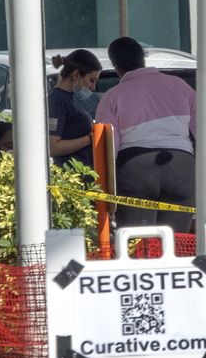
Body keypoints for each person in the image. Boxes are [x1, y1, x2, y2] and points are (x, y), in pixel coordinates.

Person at [96, 37, 197, 234]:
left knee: (135, 245)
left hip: (135, 170)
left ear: (116, 66)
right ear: (143, 59)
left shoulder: (112, 97)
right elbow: (204, 131)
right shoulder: (180, 86)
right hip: (181, 168)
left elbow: (107, 148)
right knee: (176, 243)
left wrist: (104, 192)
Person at [47, 49, 101, 167]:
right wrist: (90, 138)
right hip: (71, 176)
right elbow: (53, 147)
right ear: (76, 75)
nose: (93, 87)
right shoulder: (56, 99)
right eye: (91, 80)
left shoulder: (72, 97)